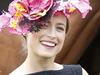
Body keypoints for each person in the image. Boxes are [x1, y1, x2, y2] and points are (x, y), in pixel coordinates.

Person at [0, 0, 92, 75]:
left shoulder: (79, 73)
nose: (52, 35)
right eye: (44, 25)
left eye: (60, 28)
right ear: (26, 30)